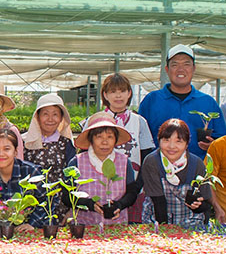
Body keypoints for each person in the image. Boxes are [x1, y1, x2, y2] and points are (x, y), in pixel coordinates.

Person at [81, 73, 155, 223]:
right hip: (96, 190)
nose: (118, 96)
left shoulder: (140, 122)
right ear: (105, 95)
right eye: (113, 91)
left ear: (129, 93)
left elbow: (147, 157)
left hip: (131, 188)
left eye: (122, 91)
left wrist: (136, 188)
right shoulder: (93, 121)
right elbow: (83, 156)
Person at [138, 44, 226, 157]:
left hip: (198, 170)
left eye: (186, 64)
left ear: (194, 68)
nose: (181, 69)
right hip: (159, 170)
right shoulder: (151, 100)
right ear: (167, 69)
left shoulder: (208, 103)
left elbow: (221, 139)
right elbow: (140, 138)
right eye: (175, 64)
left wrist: (212, 145)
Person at [126, 119, 213, 229]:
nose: (172, 146)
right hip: (157, 220)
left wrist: (197, 205)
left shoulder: (197, 164)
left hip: (191, 222)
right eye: (166, 140)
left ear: (187, 144)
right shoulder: (152, 161)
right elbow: (158, 202)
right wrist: (166, 232)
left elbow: (206, 205)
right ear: (159, 140)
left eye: (179, 141)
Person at [68, 112, 139, 226]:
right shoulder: (77, 162)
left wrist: (119, 205)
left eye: (110, 137)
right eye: (99, 137)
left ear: (115, 140)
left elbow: (132, 192)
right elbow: (66, 196)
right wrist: (89, 204)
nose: (105, 142)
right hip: (83, 225)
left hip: (117, 225)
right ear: (91, 139)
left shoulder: (124, 162)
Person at [0, 128, 43, 233]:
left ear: (15, 152)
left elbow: (49, 200)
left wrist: (32, 223)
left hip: (30, 230)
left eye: (6, 149)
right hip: (0, 230)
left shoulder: (31, 171)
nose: (0, 154)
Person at [22, 93, 77, 184]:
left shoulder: (66, 144)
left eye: (55, 114)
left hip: (58, 195)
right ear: (38, 117)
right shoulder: (25, 141)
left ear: (61, 118)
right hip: (30, 195)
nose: (50, 119)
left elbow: (71, 175)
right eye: (45, 114)